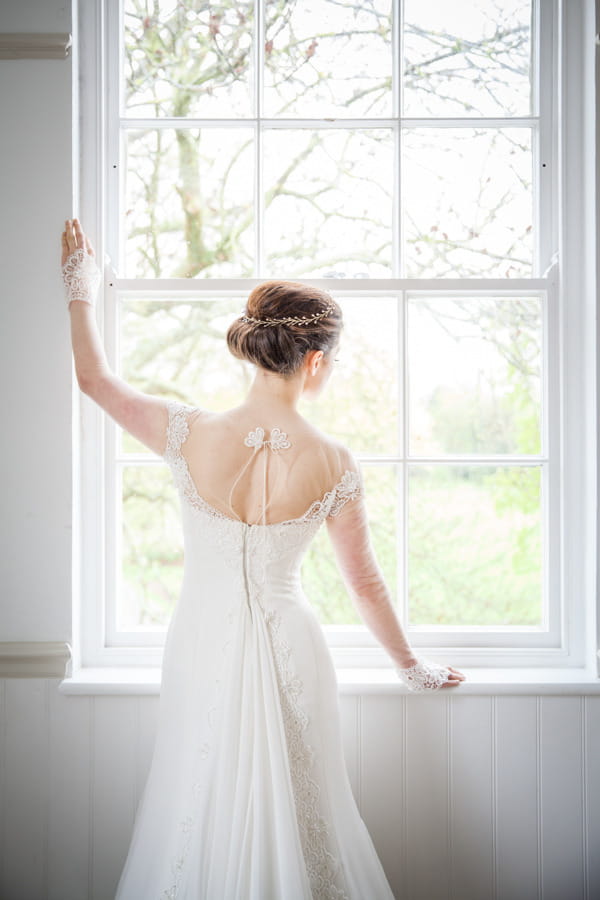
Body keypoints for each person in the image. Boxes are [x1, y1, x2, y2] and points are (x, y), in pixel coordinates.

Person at [62, 217, 466, 900]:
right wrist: (411, 666)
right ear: (314, 362)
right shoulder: (334, 461)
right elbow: (363, 582)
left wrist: (82, 289)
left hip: (200, 641)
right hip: (292, 648)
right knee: (306, 811)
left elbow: (95, 380)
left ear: (256, 352)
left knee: (202, 794)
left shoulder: (185, 432)